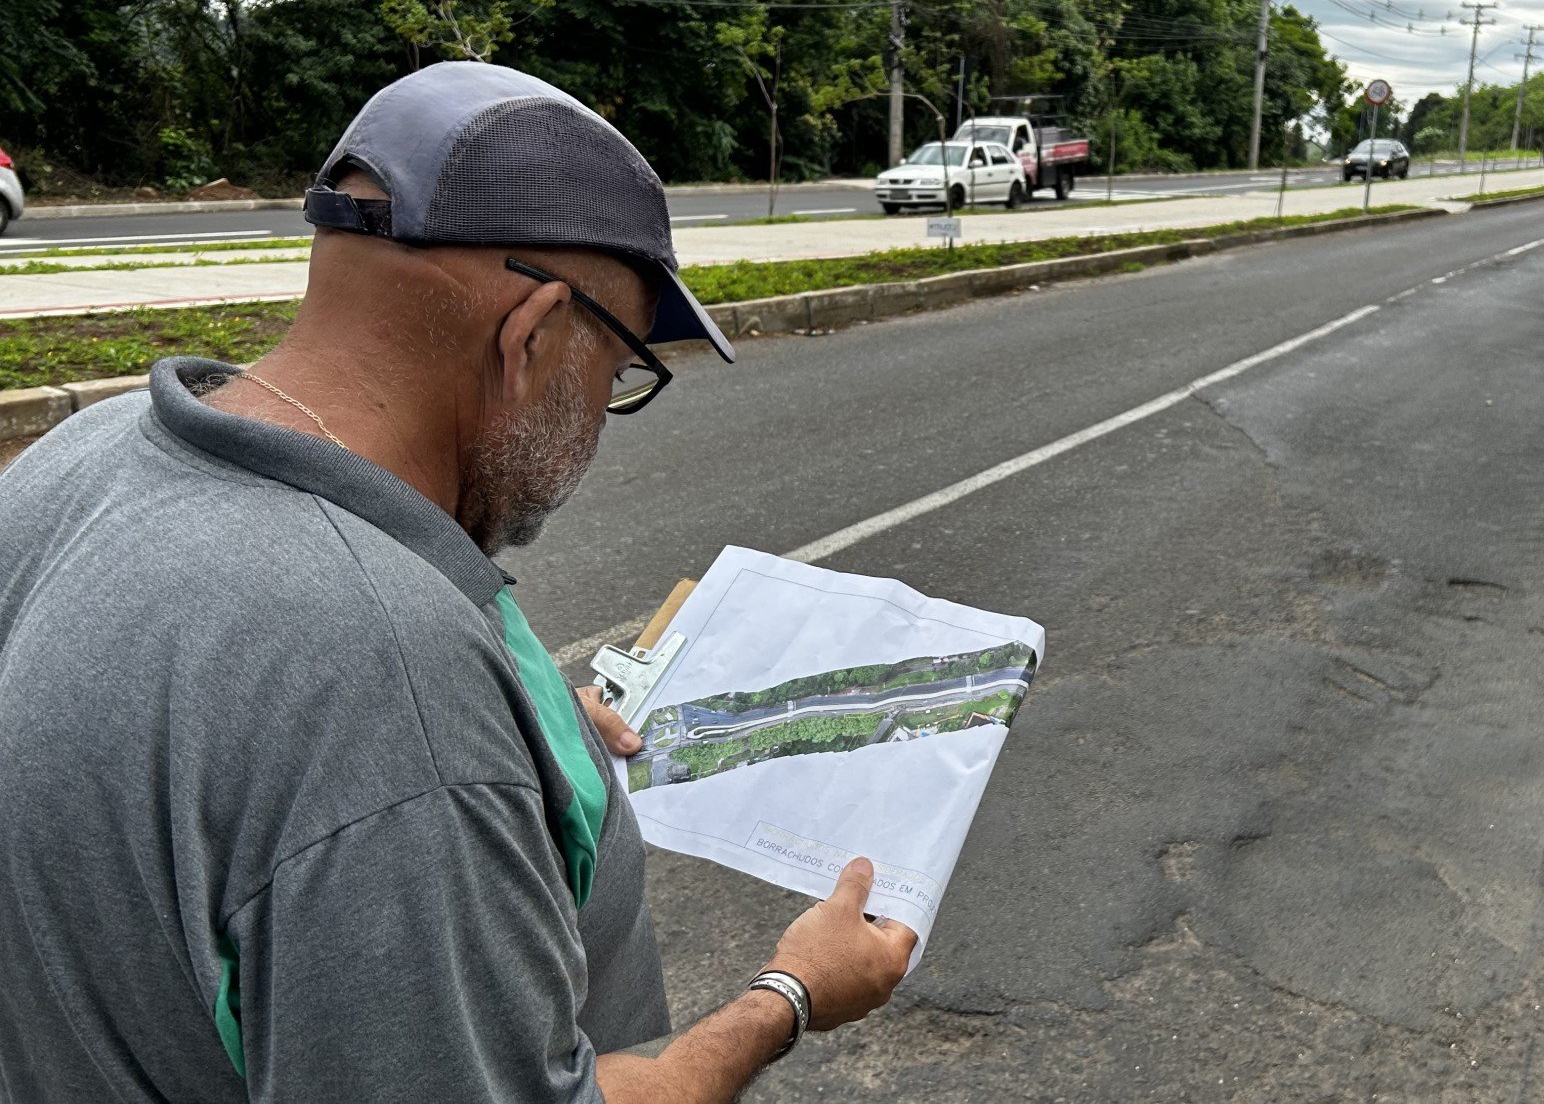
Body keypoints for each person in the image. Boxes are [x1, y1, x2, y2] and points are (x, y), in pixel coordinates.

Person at [0, 62, 914, 1102]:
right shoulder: (376, 680)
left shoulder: (85, 457)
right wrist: (788, 994)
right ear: (528, 338)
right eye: (616, 375)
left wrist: (496, 718)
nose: (598, 425)